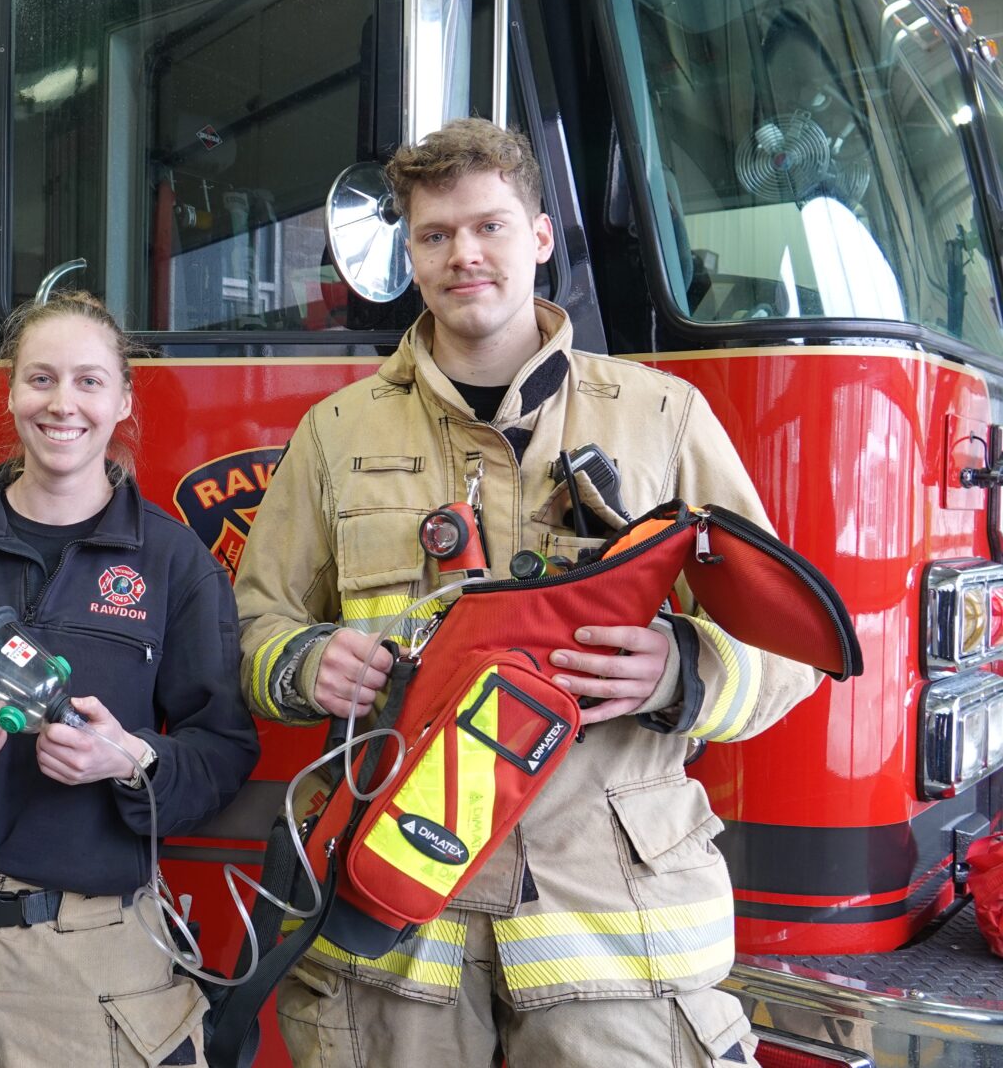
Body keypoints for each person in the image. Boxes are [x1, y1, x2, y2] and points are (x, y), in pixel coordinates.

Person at [233, 118, 821, 1068]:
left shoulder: (662, 418)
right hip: (398, 926)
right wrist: (305, 664)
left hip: (611, 922)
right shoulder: (334, 433)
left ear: (540, 238)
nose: (464, 254)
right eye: (435, 235)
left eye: (490, 226)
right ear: (410, 255)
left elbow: (789, 645)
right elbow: (255, 623)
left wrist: (681, 669)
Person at [0, 291, 261, 1068]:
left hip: (94, 960)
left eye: (88, 382)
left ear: (123, 400)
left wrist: (129, 759)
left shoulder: (173, 564)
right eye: (40, 379)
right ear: (10, 393)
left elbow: (224, 750)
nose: (62, 403)